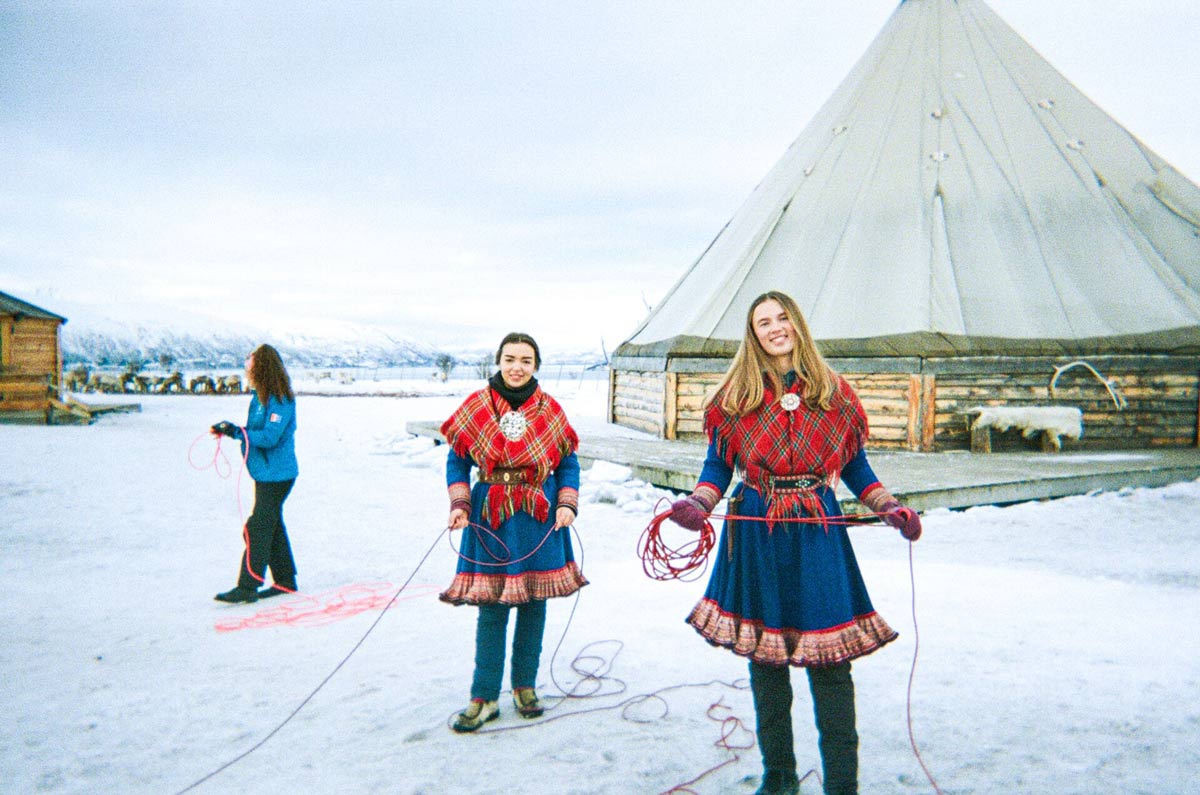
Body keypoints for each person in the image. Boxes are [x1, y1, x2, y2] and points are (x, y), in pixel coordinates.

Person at [666, 291, 922, 795]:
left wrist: (888, 507)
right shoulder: (735, 396)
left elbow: (855, 466)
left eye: (782, 318)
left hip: (816, 532)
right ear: (753, 333)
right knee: (766, 660)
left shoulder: (834, 392)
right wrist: (698, 503)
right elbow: (718, 466)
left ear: (798, 324)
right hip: (757, 528)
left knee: (830, 661)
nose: (775, 328)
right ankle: (779, 777)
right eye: (764, 322)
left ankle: (842, 786)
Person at [439, 332, 585, 733]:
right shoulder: (476, 407)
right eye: (509, 359)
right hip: (490, 517)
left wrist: (567, 503)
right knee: (492, 609)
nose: (517, 367)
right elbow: (457, 463)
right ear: (498, 361)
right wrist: (460, 504)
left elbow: (568, 464)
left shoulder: (550, 411)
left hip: (540, 517)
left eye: (525, 359)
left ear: (536, 364)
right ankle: (483, 697)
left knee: (534, 604)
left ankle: (524, 687)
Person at [210, 344, 300, 604]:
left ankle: (248, 585)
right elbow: (253, 430)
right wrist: (232, 430)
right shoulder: (260, 396)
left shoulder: (280, 399)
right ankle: (285, 581)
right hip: (264, 472)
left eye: (251, 361)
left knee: (258, 526)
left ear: (263, 366)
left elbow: (270, 437)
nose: (247, 365)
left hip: (278, 475)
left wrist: (239, 433)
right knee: (272, 525)